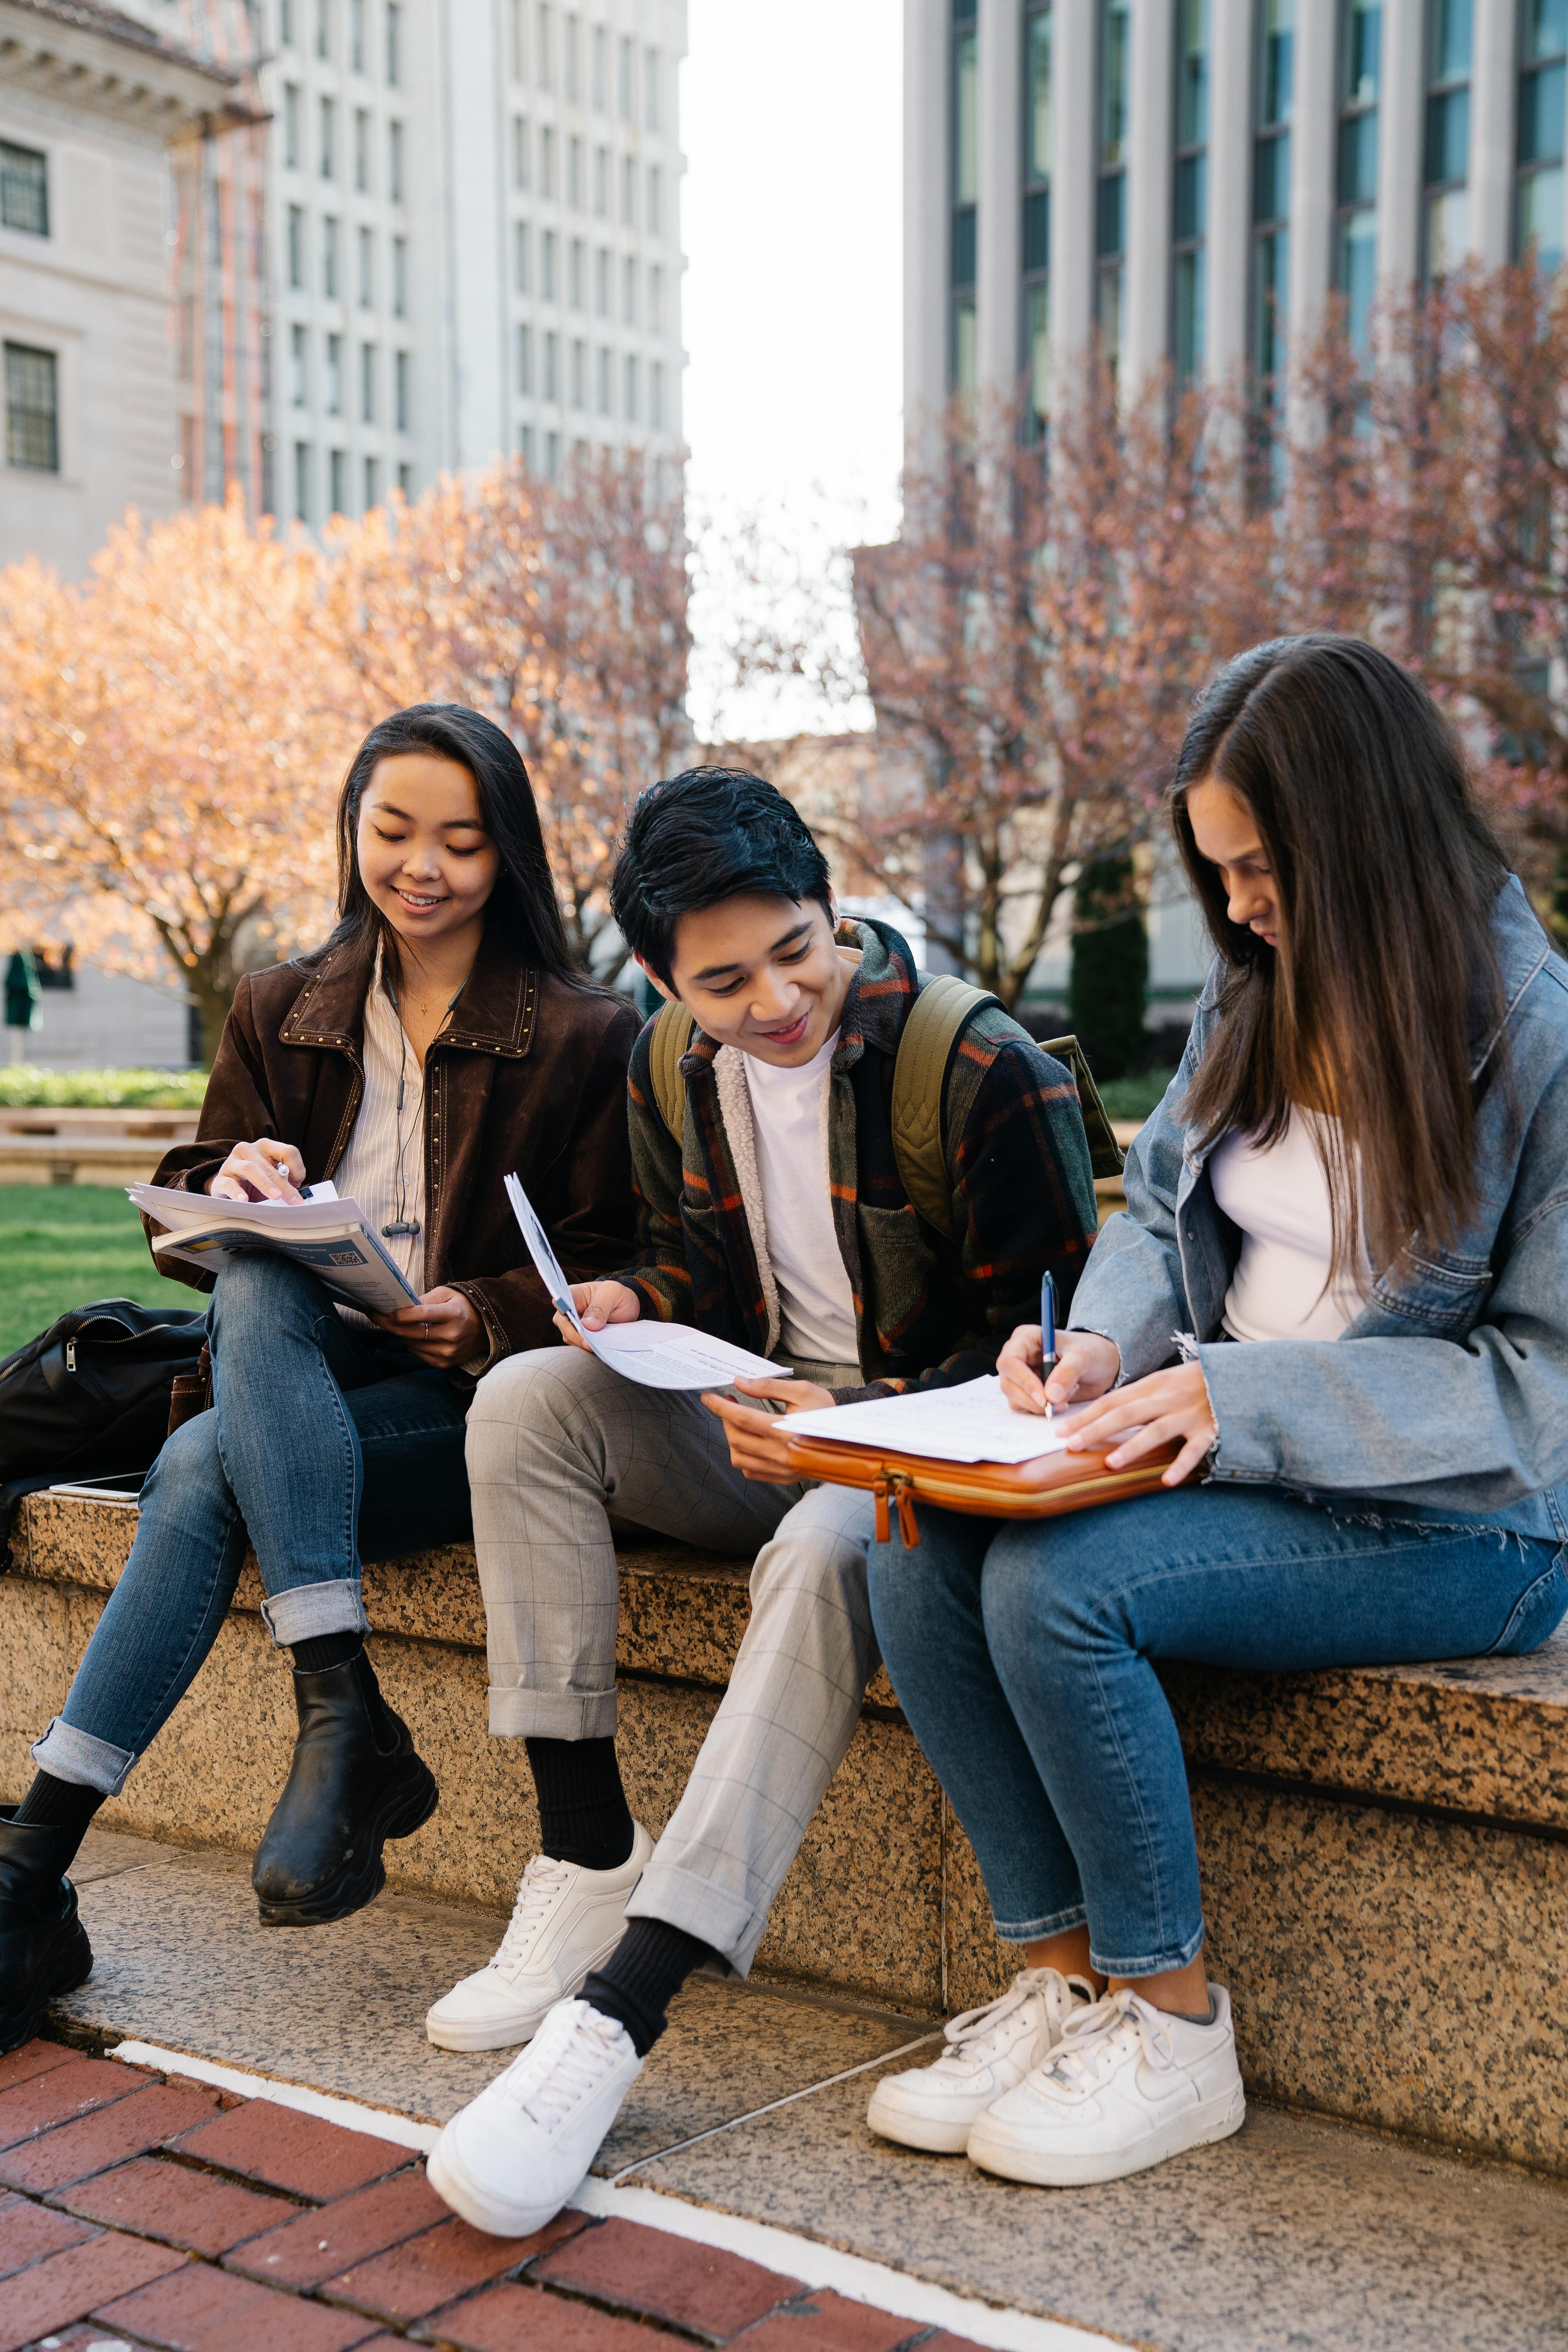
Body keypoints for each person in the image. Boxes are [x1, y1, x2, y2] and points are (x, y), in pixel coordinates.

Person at [858, 634, 1568, 2190]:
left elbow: (1535, 1400)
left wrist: (1228, 1399)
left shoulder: (1540, 1039)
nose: (1236, 906)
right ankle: (1059, 1990)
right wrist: (1102, 1351)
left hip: (1453, 1519)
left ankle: (1171, 2029)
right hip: (1215, 1439)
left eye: (1260, 868)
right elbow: (1159, 1208)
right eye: (1217, 869)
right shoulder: (1255, 995)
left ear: (1364, 835)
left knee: (1057, 1587)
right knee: (904, 1548)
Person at [420, 767, 1102, 2236]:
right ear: (664, 980)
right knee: (524, 1399)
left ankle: (621, 2012)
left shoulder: (976, 1068)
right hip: (753, 1427)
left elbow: (1051, 1357)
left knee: (813, 1540)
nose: (778, 1001)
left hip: (913, 1465)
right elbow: (693, 1272)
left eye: (798, 950)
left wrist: (845, 1424)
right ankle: (588, 1853)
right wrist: (630, 1300)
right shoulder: (672, 1065)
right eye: (722, 981)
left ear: (832, 904)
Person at [0, 703, 639, 2055]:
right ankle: (338, 1709)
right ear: (351, 833)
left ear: (507, 854)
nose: (422, 866)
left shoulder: (587, 1032)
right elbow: (194, 1211)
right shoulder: (278, 1006)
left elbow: (624, 1257)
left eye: (461, 842)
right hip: (303, 1375)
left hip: (461, 1412)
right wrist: (224, 1179)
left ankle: (34, 1865)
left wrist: (491, 1314)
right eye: (392, 830)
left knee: (198, 1460)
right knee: (260, 1271)